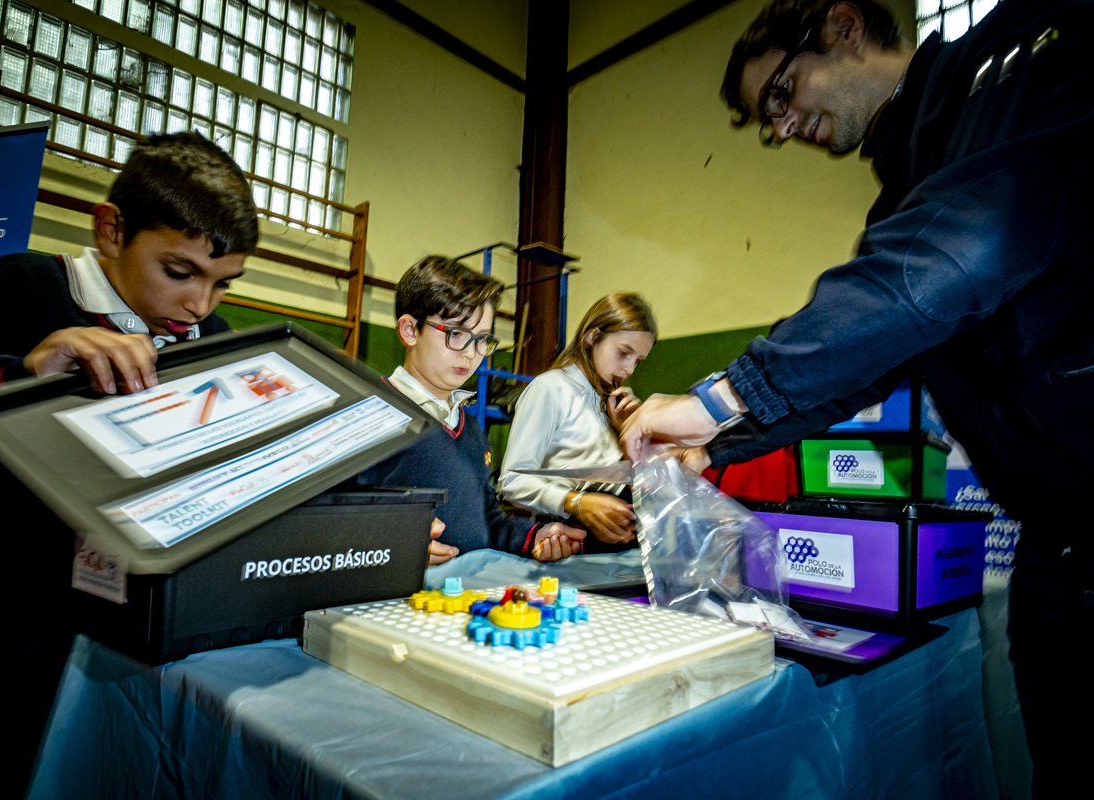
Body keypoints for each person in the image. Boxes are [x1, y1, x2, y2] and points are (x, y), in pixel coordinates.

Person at [620, 1, 1092, 794]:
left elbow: (971, 241)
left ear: (841, 26)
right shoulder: (905, 192)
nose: (778, 128)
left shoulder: (1020, 62)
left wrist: (716, 396)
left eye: (779, 93)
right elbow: (864, 363)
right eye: (762, 121)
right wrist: (719, 443)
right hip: (1059, 547)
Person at [0, 131, 258, 797]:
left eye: (222, 284)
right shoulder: (15, 294)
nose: (199, 306)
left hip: (153, 671)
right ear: (112, 229)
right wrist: (16, 375)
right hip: (9, 670)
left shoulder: (217, 346)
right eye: (179, 272)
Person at [356, 255, 585, 563]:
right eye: (456, 334)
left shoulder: (473, 431)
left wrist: (532, 538)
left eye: (481, 339)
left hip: (466, 601)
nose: (470, 354)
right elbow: (322, 517)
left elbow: (489, 522)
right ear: (410, 330)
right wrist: (389, 544)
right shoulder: (370, 414)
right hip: (396, 603)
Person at [499, 293, 657, 551]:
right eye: (623, 353)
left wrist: (626, 431)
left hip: (619, 545)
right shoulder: (550, 389)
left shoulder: (610, 401)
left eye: (637, 361)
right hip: (571, 541)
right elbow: (512, 480)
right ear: (592, 336)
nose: (629, 370)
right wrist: (578, 502)